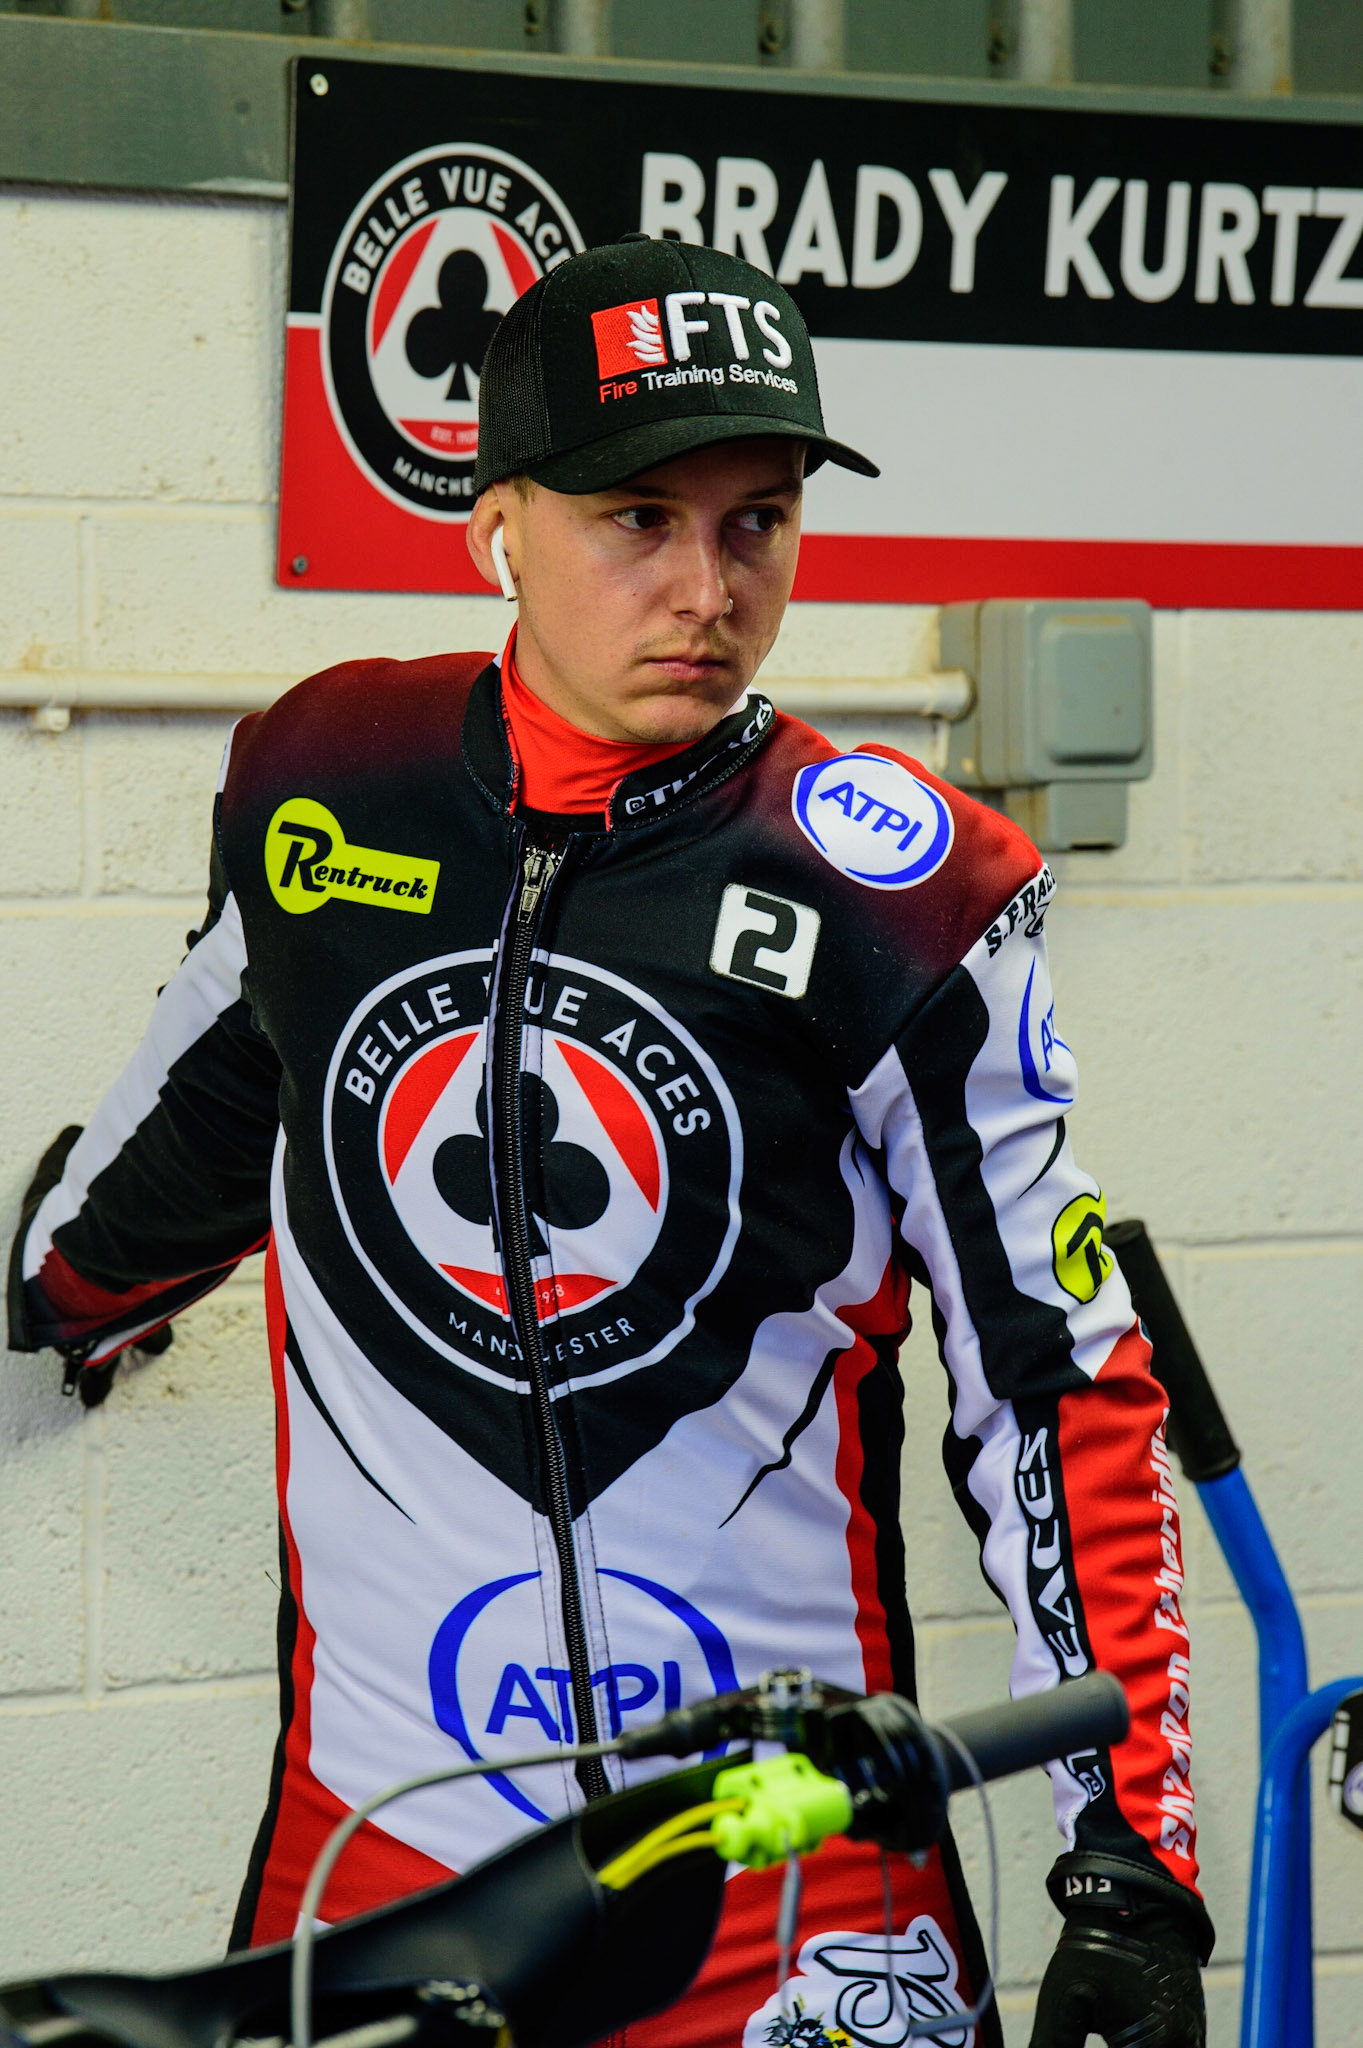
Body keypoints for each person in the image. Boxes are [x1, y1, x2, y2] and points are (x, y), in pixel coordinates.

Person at [7, 236, 1210, 2047]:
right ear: (494, 522)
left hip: (788, 1899)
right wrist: (70, 1291)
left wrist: (1128, 1871)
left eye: (759, 522)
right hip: (387, 1860)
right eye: (638, 519)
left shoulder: (905, 883)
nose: (708, 589)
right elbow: (220, 1090)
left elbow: (1054, 1380)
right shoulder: (331, 777)